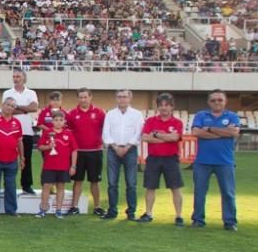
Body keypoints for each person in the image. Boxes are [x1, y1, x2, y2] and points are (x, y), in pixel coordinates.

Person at [190, 89, 240, 231]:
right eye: (213, 100)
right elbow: (196, 132)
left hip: (225, 161)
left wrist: (210, 129)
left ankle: (230, 222)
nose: (216, 102)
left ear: (225, 101)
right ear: (208, 102)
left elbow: (234, 132)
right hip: (202, 161)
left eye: (220, 100)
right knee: (199, 192)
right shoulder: (201, 115)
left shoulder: (232, 116)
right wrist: (223, 132)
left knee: (228, 193)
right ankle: (198, 220)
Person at [140, 93, 185, 226]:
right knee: (150, 187)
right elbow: (145, 138)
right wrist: (165, 138)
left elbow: (175, 138)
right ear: (158, 107)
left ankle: (178, 215)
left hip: (171, 159)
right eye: (161, 105)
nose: (164, 108)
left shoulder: (177, 122)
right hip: (153, 158)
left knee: (175, 187)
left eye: (167, 105)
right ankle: (148, 213)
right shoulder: (150, 121)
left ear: (172, 107)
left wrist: (156, 134)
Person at [100, 89, 144, 221]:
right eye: (119, 97)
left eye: (124, 97)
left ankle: (131, 212)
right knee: (112, 183)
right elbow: (106, 133)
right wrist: (114, 146)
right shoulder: (110, 114)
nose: (122, 99)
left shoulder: (137, 114)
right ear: (116, 98)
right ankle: (112, 211)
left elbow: (139, 132)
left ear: (130, 98)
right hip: (113, 150)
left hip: (130, 150)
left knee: (131, 183)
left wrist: (128, 146)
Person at [66, 87, 107, 216]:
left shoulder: (100, 112)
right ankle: (74, 206)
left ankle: (97, 207)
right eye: (81, 97)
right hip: (78, 152)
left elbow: (105, 129)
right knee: (77, 180)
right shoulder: (72, 114)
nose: (83, 99)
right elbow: (69, 132)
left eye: (85, 97)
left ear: (90, 97)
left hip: (95, 151)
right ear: (78, 98)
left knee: (95, 180)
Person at [0, 96, 25, 216]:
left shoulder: (17, 122)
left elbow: (19, 141)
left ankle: (11, 210)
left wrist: (22, 158)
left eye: (12, 106)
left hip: (12, 160)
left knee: (11, 187)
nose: (10, 107)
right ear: (3, 105)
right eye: (8, 105)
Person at [1, 70, 38, 194]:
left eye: (18, 76)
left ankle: (26, 185)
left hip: (26, 131)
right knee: (7, 159)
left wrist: (17, 107)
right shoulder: (7, 93)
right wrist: (25, 109)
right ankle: (8, 185)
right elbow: (6, 110)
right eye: (14, 76)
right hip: (9, 131)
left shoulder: (31, 93)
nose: (16, 79)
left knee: (26, 159)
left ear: (24, 78)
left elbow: (34, 108)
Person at [35, 110, 78, 218]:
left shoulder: (68, 133)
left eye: (61, 120)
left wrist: (73, 165)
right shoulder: (47, 133)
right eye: (56, 120)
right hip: (49, 165)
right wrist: (49, 147)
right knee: (46, 187)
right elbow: (40, 147)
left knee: (61, 187)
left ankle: (58, 210)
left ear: (64, 121)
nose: (58, 122)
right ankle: (43, 209)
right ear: (52, 121)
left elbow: (74, 150)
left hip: (63, 166)